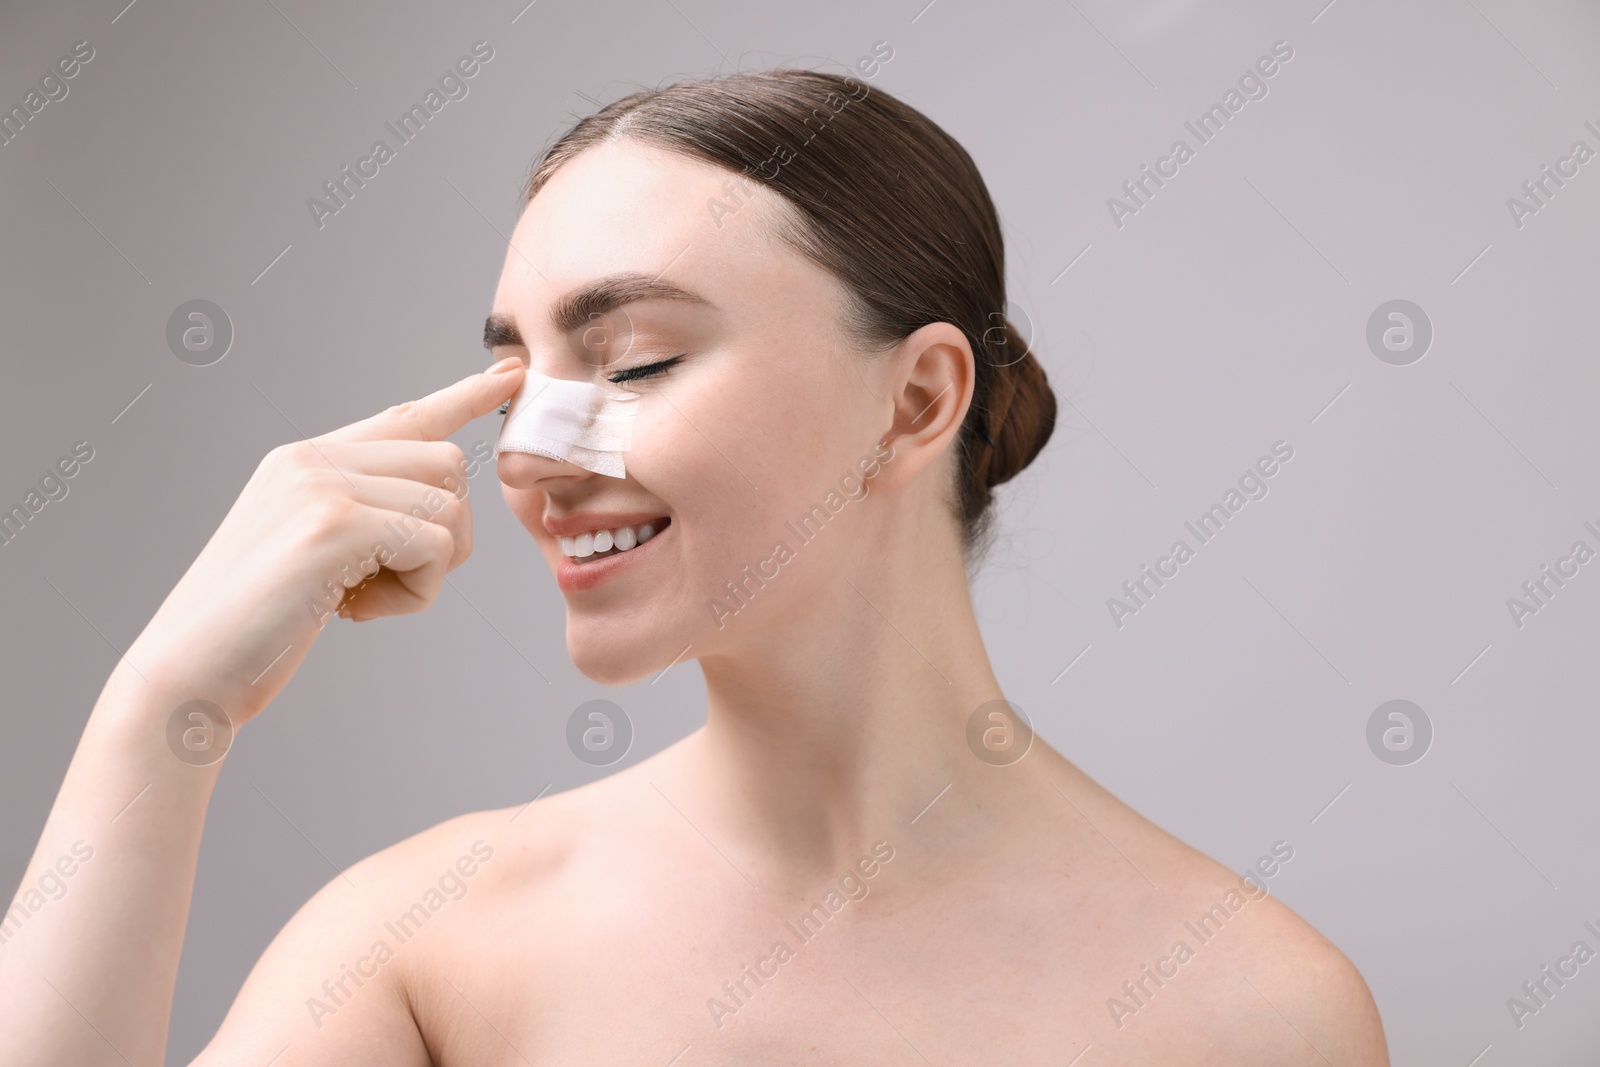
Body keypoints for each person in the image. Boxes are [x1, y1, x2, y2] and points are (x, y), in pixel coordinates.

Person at [1, 68, 1388, 1064]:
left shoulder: (1251, 1010)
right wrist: (162, 711)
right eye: (514, 376)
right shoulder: (432, 944)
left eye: (636, 360)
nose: (530, 454)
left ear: (914, 405)